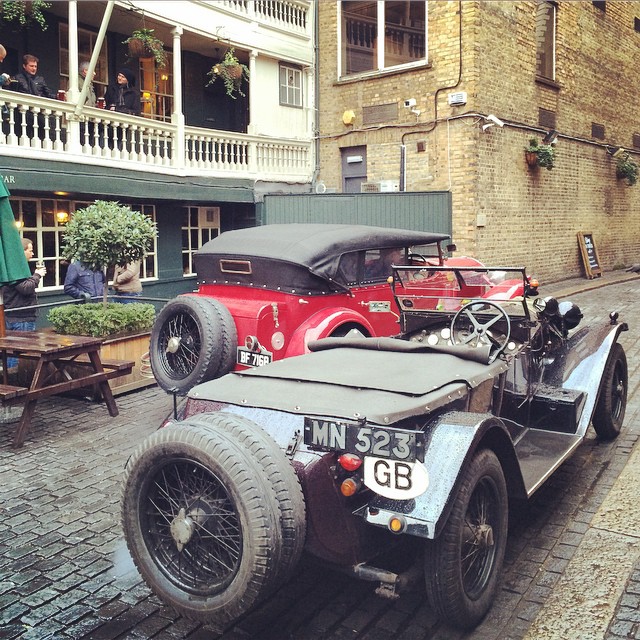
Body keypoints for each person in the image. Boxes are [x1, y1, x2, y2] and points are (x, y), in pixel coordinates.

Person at [3, 238, 47, 370]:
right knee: (21, 353)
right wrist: (37, 275)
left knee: (12, 351)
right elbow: (25, 288)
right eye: (30, 250)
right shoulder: (16, 268)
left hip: (12, 314)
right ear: (22, 252)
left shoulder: (10, 267)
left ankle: (14, 378)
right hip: (21, 316)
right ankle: (18, 381)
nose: (32, 254)